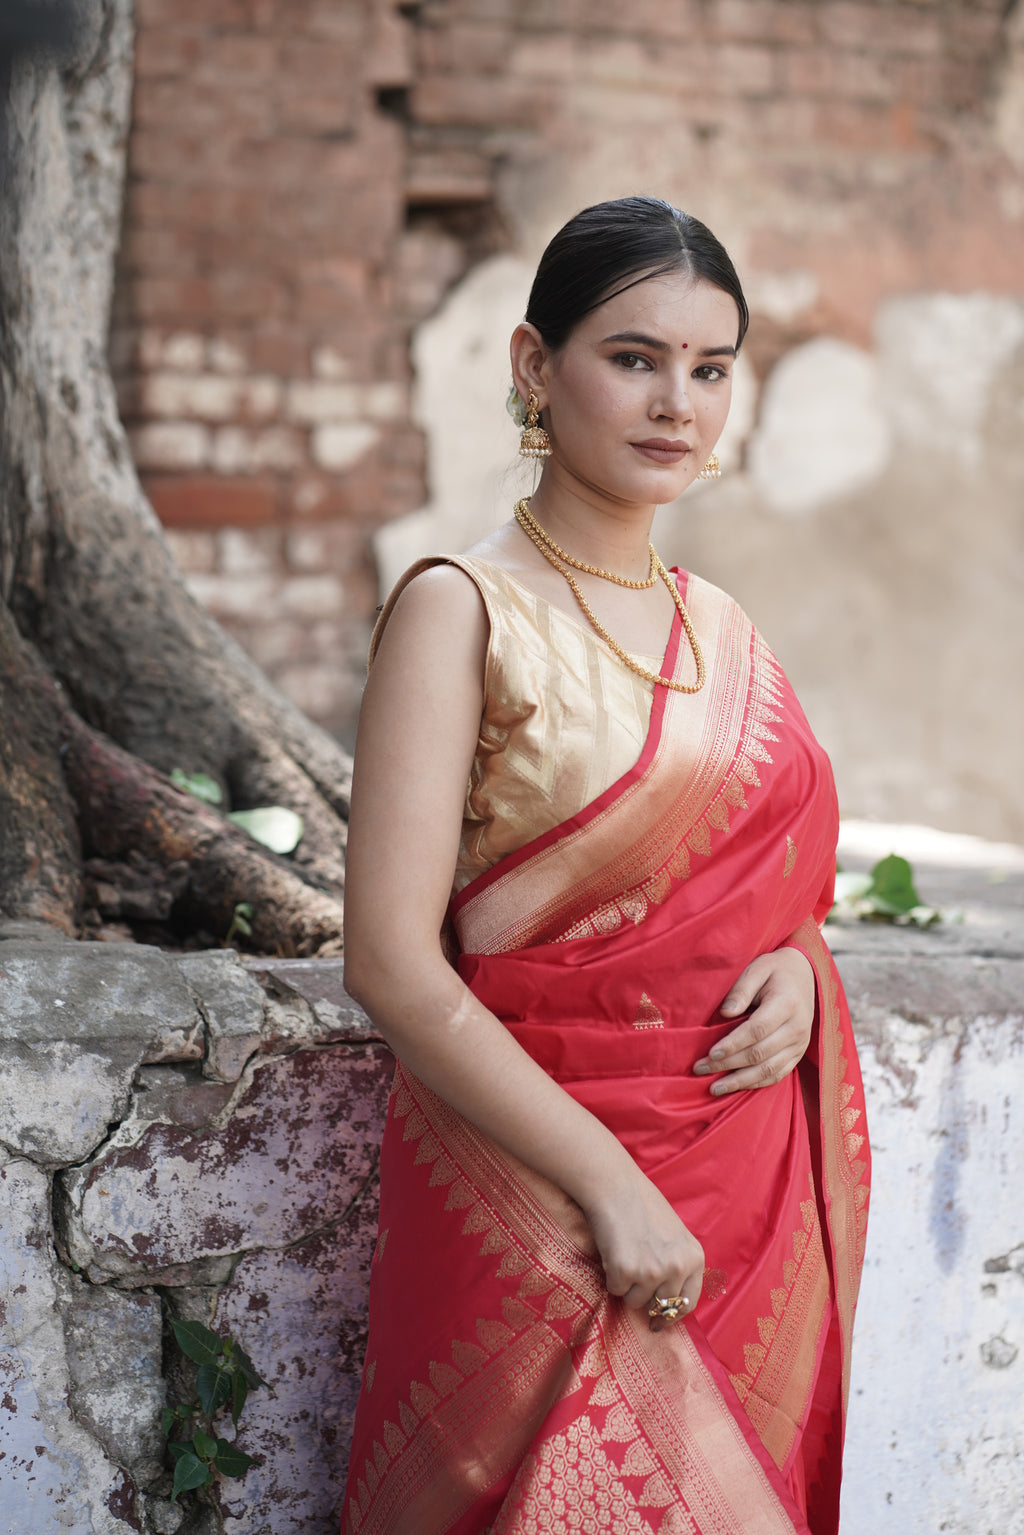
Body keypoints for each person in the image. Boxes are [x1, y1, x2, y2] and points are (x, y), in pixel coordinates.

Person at [340, 196, 869, 1535]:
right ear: (534, 366)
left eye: (710, 369)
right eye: (632, 358)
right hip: (539, 1191)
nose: (676, 405)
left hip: (737, 1193)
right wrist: (612, 1188)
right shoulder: (462, 608)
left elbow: (779, 892)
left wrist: (804, 976)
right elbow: (393, 964)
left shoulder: (725, 630)